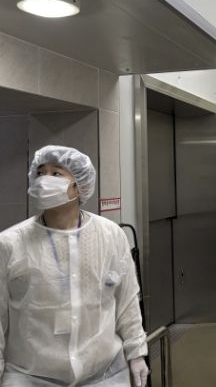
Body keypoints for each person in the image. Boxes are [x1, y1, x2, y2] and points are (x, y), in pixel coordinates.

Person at [0, 145, 148, 386]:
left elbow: (127, 300)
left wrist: (136, 351)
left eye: (56, 173)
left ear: (79, 186)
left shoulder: (109, 235)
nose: (44, 180)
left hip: (104, 375)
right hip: (30, 376)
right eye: (40, 173)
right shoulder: (10, 243)